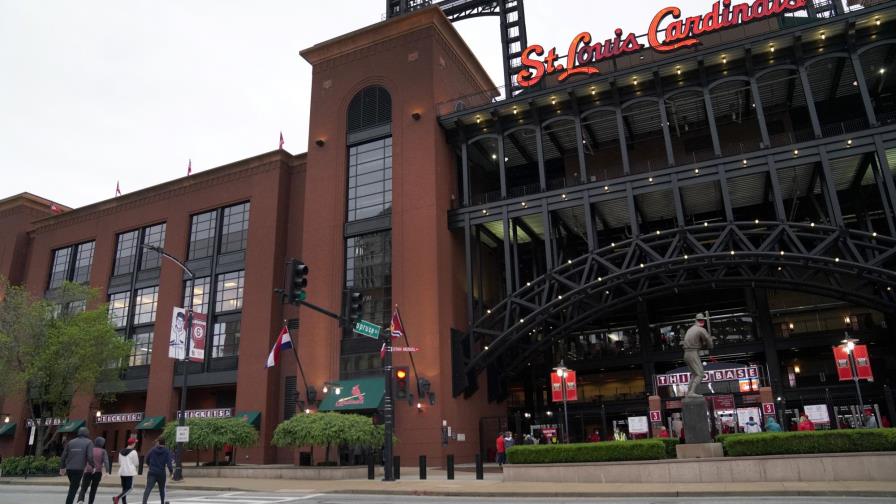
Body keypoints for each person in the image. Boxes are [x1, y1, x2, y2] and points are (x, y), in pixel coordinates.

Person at [59, 427, 96, 504]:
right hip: (78, 469)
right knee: (73, 489)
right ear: (87, 433)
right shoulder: (89, 442)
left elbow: (63, 456)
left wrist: (62, 468)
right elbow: (90, 456)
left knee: (73, 486)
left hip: (69, 469)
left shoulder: (70, 442)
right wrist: (93, 466)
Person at [683, 313, 713, 397]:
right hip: (692, 353)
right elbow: (708, 340)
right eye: (701, 320)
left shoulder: (690, 329)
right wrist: (710, 347)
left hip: (686, 354)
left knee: (695, 374)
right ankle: (691, 392)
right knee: (700, 374)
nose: (701, 321)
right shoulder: (701, 329)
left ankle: (689, 392)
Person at [76, 436, 111, 504]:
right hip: (97, 472)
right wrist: (107, 471)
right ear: (102, 443)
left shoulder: (90, 449)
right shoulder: (103, 451)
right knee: (93, 489)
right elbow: (106, 461)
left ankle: (80, 499)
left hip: (87, 471)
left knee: (83, 487)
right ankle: (90, 502)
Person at [142, 437, 173, 504]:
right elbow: (169, 463)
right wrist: (171, 472)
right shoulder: (167, 451)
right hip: (161, 472)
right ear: (165, 443)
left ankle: (144, 502)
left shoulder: (152, 450)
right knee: (162, 489)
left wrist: (150, 465)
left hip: (152, 471)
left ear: (159, 442)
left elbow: (147, 458)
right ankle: (162, 502)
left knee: (148, 488)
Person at [114, 437, 140, 504]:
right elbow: (136, 463)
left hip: (122, 471)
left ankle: (124, 502)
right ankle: (117, 497)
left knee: (124, 488)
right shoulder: (134, 452)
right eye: (135, 443)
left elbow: (119, 462)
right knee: (129, 488)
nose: (135, 444)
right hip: (129, 472)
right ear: (133, 444)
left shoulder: (120, 451)